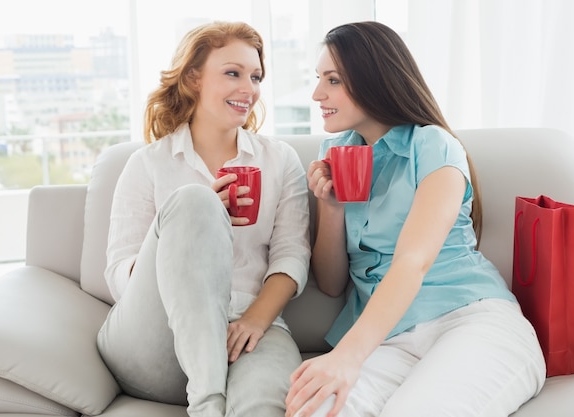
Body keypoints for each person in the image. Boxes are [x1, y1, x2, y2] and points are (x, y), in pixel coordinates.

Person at [285, 21, 546, 417]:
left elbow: (412, 260)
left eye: (333, 80)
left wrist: (348, 357)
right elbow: (335, 282)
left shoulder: (434, 145)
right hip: (390, 340)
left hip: (470, 319)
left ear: (374, 79)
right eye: (319, 79)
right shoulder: (336, 151)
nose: (318, 94)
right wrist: (332, 206)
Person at [96, 21, 311, 417]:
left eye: (256, 76)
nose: (249, 88)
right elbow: (120, 277)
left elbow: (291, 256)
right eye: (233, 73)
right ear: (194, 78)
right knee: (195, 203)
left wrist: (255, 321)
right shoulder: (147, 164)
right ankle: (208, 405)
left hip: (247, 324)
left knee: (264, 405)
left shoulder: (279, 160)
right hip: (156, 336)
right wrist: (191, 228)